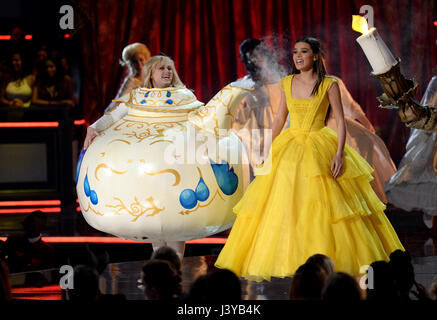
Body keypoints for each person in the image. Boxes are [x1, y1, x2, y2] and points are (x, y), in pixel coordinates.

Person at [214, 37, 404, 281]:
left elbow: (341, 120)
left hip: (320, 142)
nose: (298, 56)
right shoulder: (287, 83)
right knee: (287, 202)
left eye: (304, 51)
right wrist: (266, 152)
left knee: (328, 202)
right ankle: (296, 258)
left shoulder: (329, 84)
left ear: (315, 56)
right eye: (295, 52)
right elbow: (279, 119)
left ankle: (334, 257)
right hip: (290, 145)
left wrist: (338, 153)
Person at [83, 55, 186, 259]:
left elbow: (202, 119)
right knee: (155, 228)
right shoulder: (136, 99)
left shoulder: (183, 97)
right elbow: (112, 116)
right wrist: (92, 128)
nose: (167, 72)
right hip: (148, 171)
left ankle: (175, 274)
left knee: (175, 225)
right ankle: (162, 276)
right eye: (161, 68)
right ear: (150, 74)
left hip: (175, 169)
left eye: (169, 68)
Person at [326, 76, 397, 203]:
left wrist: (365, 121)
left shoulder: (333, 81)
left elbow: (350, 104)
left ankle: (357, 201)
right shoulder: (301, 82)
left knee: (362, 143)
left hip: (337, 122)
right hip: (317, 128)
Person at [384, 76, 437, 229]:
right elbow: (426, 107)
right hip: (433, 132)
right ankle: (431, 209)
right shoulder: (435, 81)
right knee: (424, 172)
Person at [232, 38, 288, 170]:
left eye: (254, 57)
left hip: (282, 144)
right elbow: (235, 122)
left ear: (264, 56)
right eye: (247, 60)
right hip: (255, 150)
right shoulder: (242, 87)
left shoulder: (282, 82)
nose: (251, 62)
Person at [105, 42, 151, 113]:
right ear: (131, 64)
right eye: (135, 62)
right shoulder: (131, 81)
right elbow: (118, 104)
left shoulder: (151, 78)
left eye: (141, 60)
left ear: (146, 59)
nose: (139, 64)